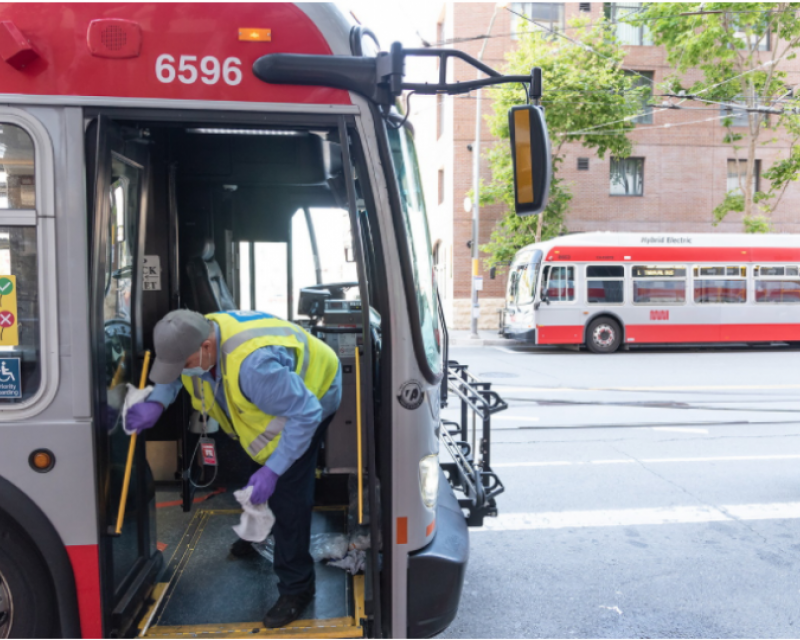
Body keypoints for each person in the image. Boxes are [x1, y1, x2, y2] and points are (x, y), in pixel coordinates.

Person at [125, 309, 341, 628]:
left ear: (207, 348)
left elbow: (306, 413)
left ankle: (297, 587)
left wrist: (274, 469)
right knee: (253, 466)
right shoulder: (196, 334)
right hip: (270, 406)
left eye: (184, 364)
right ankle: (262, 531)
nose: (181, 370)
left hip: (315, 395)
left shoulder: (254, 368)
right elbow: (176, 374)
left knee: (288, 495)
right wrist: (157, 400)